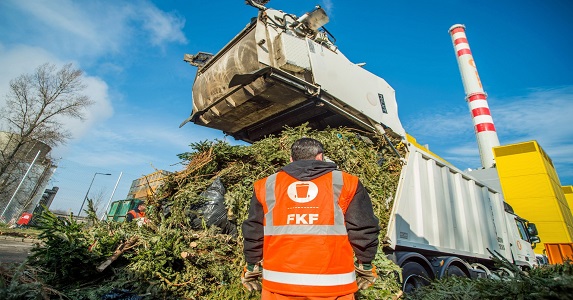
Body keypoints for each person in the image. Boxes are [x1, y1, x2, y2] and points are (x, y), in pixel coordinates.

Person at [241, 138, 380, 299]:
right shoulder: (347, 182)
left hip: (279, 286)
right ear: (320, 157)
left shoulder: (266, 185)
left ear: (291, 159)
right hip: (334, 287)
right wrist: (366, 265)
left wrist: (252, 267)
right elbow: (362, 228)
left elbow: (254, 230)